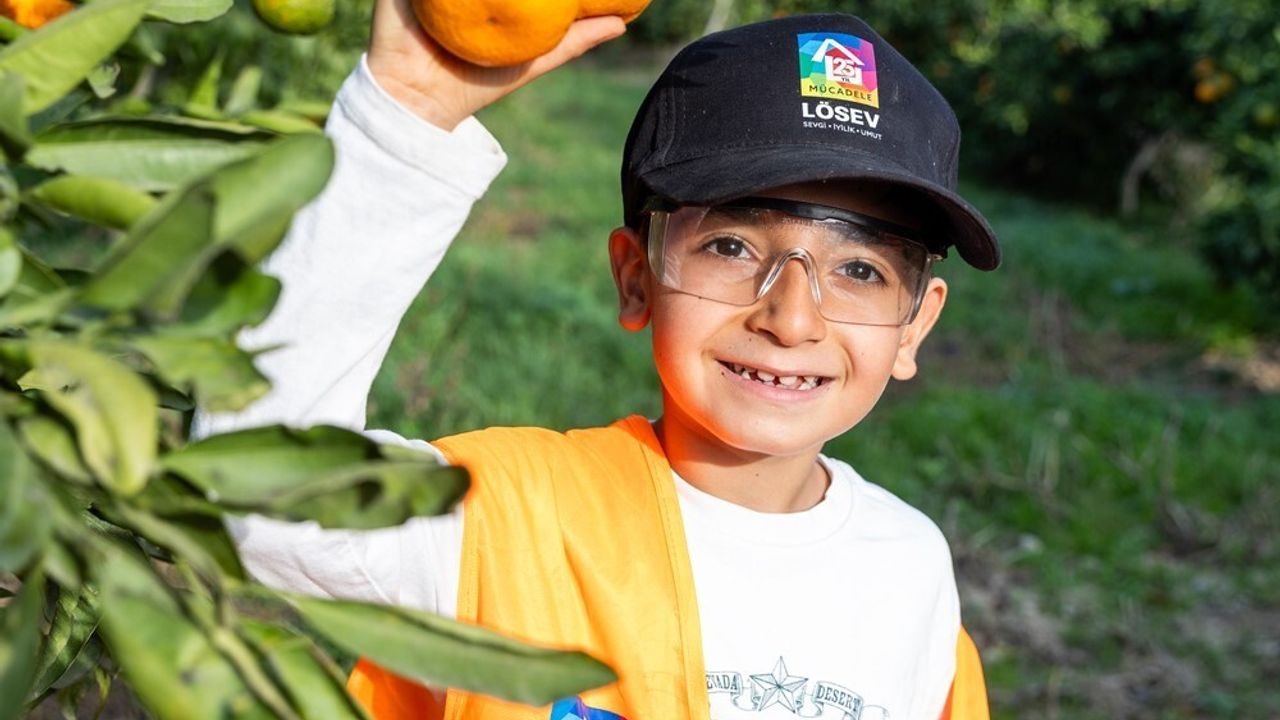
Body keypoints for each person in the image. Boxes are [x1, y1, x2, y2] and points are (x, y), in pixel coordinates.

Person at [196, 2, 1000, 718]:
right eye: (730, 245)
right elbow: (257, 494)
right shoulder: (509, 521)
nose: (791, 318)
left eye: (860, 270)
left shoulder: (909, 569)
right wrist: (407, 114)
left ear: (914, 328)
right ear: (634, 277)